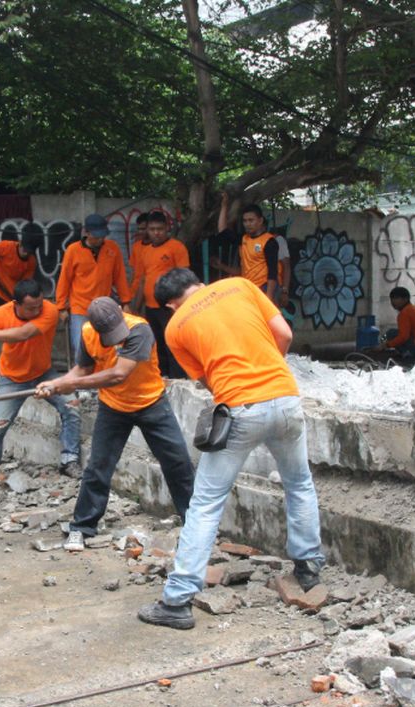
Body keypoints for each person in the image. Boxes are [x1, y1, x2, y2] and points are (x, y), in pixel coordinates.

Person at [137, 269, 323, 630]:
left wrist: (239, 389)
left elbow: (207, 379)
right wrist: (269, 372)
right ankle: (309, 567)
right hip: (286, 398)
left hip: (239, 408)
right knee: (299, 484)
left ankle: (176, 601)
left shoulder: (175, 328)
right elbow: (284, 333)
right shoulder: (240, 285)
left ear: (171, 304)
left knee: (205, 503)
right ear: (198, 282)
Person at [35, 297, 194, 553]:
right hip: (114, 407)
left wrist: (70, 384)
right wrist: (56, 384)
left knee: (178, 463)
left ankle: (196, 526)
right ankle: (83, 527)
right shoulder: (88, 334)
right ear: (94, 327)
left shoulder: (139, 328)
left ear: (122, 312)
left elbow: (119, 374)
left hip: (151, 403)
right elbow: (83, 370)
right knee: (98, 467)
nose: (115, 338)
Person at [0, 279, 83, 491]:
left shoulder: (49, 311)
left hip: (44, 374)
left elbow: (23, 334)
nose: (37, 310)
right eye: (31, 307)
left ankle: (69, 460)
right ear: (16, 303)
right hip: (12, 379)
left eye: (39, 305)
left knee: (71, 407)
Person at [57, 214, 133, 361]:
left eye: (102, 236)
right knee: (81, 347)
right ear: (86, 232)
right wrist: (61, 307)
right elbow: (64, 280)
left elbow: (120, 277)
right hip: (80, 307)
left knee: (106, 348)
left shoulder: (112, 248)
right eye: (96, 236)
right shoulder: (73, 250)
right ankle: (82, 383)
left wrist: (126, 302)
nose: (100, 239)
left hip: (104, 308)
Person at [130, 211, 190, 378]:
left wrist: (180, 306)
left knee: (173, 344)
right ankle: (162, 378)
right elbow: (142, 279)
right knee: (157, 345)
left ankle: (179, 379)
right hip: (150, 307)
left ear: (167, 229)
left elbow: (184, 278)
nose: (156, 233)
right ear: (147, 230)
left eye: (160, 229)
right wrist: (136, 307)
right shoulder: (145, 250)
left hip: (169, 307)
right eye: (152, 229)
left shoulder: (176, 247)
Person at [0, 230, 43, 363]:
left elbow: (24, 284)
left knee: (13, 326)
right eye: (24, 249)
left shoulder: (31, 262)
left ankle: (15, 358)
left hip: (10, 295)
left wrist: (17, 298)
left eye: (29, 251)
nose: (25, 253)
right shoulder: (7, 247)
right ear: (20, 243)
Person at [215, 191, 280, 300]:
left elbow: (273, 272)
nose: (247, 224)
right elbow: (222, 230)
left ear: (260, 221)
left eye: (251, 220)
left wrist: (268, 297)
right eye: (245, 221)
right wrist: (224, 206)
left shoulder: (269, 241)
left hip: (263, 288)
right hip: (248, 287)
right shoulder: (244, 239)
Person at [383, 287, 415, 363]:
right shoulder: (413, 309)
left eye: (396, 298)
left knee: (391, 334)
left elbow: (403, 337)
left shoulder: (405, 313)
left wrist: (386, 345)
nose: (393, 301)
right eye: (392, 298)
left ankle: (409, 356)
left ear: (405, 299)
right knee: (394, 333)